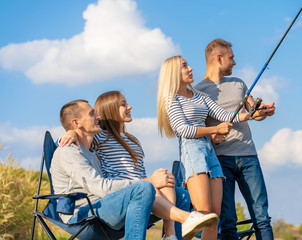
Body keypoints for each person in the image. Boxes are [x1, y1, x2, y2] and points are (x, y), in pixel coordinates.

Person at [58, 93, 218, 240]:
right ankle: (186, 218)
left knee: (178, 192)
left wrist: (155, 181)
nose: (98, 116)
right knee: (145, 187)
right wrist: (69, 133)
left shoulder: (93, 147)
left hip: (110, 202)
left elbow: (83, 136)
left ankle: (171, 236)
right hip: (85, 213)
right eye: (92, 113)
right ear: (76, 123)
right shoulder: (75, 148)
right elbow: (99, 186)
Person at [157, 56, 269, 240]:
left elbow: (225, 115)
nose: (191, 68)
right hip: (192, 150)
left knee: (214, 217)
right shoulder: (171, 99)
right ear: (173, 74)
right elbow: (183, 129)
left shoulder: (200, 97)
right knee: (202, 213)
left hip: (210, 152)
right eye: (185, 66)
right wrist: (214, 129)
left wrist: (252, 114)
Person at [195, 39, 275, 240]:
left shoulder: (239, 83)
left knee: (262, 217)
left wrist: (263, 111)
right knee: (228, 221)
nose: (234, 62)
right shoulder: (198, 91)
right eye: (231, 58)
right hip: (221, 161)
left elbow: (252, 113)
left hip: (249, 156)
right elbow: (199, 129)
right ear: (219, 58)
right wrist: (213, 134)